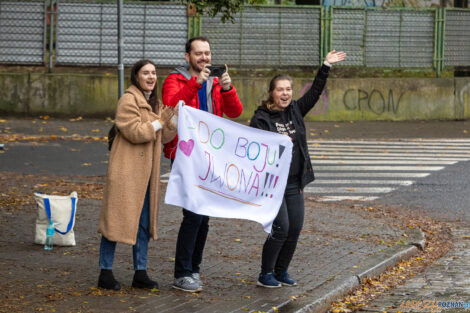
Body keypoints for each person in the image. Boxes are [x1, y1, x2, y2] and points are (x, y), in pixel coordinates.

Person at [249, 50, 347, 288]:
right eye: (280, 89)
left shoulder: (295, 110)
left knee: (295, 228)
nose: (285, 93)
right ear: (272, 92)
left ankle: (281, 271)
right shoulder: (262, 117)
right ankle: (266, 273)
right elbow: (257, 148)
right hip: (273, 184)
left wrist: (325, 66)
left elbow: (314, 92)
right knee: (281, 228)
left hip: (294, 182)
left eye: (288, 89)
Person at [162, 36, 243, 292]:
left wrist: (228, 88)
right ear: (187, 57)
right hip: (186, 157)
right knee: (193, 215)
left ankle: (194, 269)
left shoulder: (217, 82)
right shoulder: (175, 79)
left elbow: (235, 112)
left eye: (207, 53)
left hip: (210, 158)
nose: (204, 58)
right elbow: (172, 105)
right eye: (199, 54)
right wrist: (196, 84)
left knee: (204, 217)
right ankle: (182, 273)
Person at [97, 59, 177, 290]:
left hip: (146, 175)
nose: (151, 77)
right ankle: (105, 272)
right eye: (146, 73)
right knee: (115, 221)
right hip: (126, 172)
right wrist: (159, 123)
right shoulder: (128, 100)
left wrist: (171, 122)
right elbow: (134, 132)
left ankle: (140, 272)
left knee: (143, 224)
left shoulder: (155, 103)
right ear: (136, 76)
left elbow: (166, 137)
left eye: (153, 73)